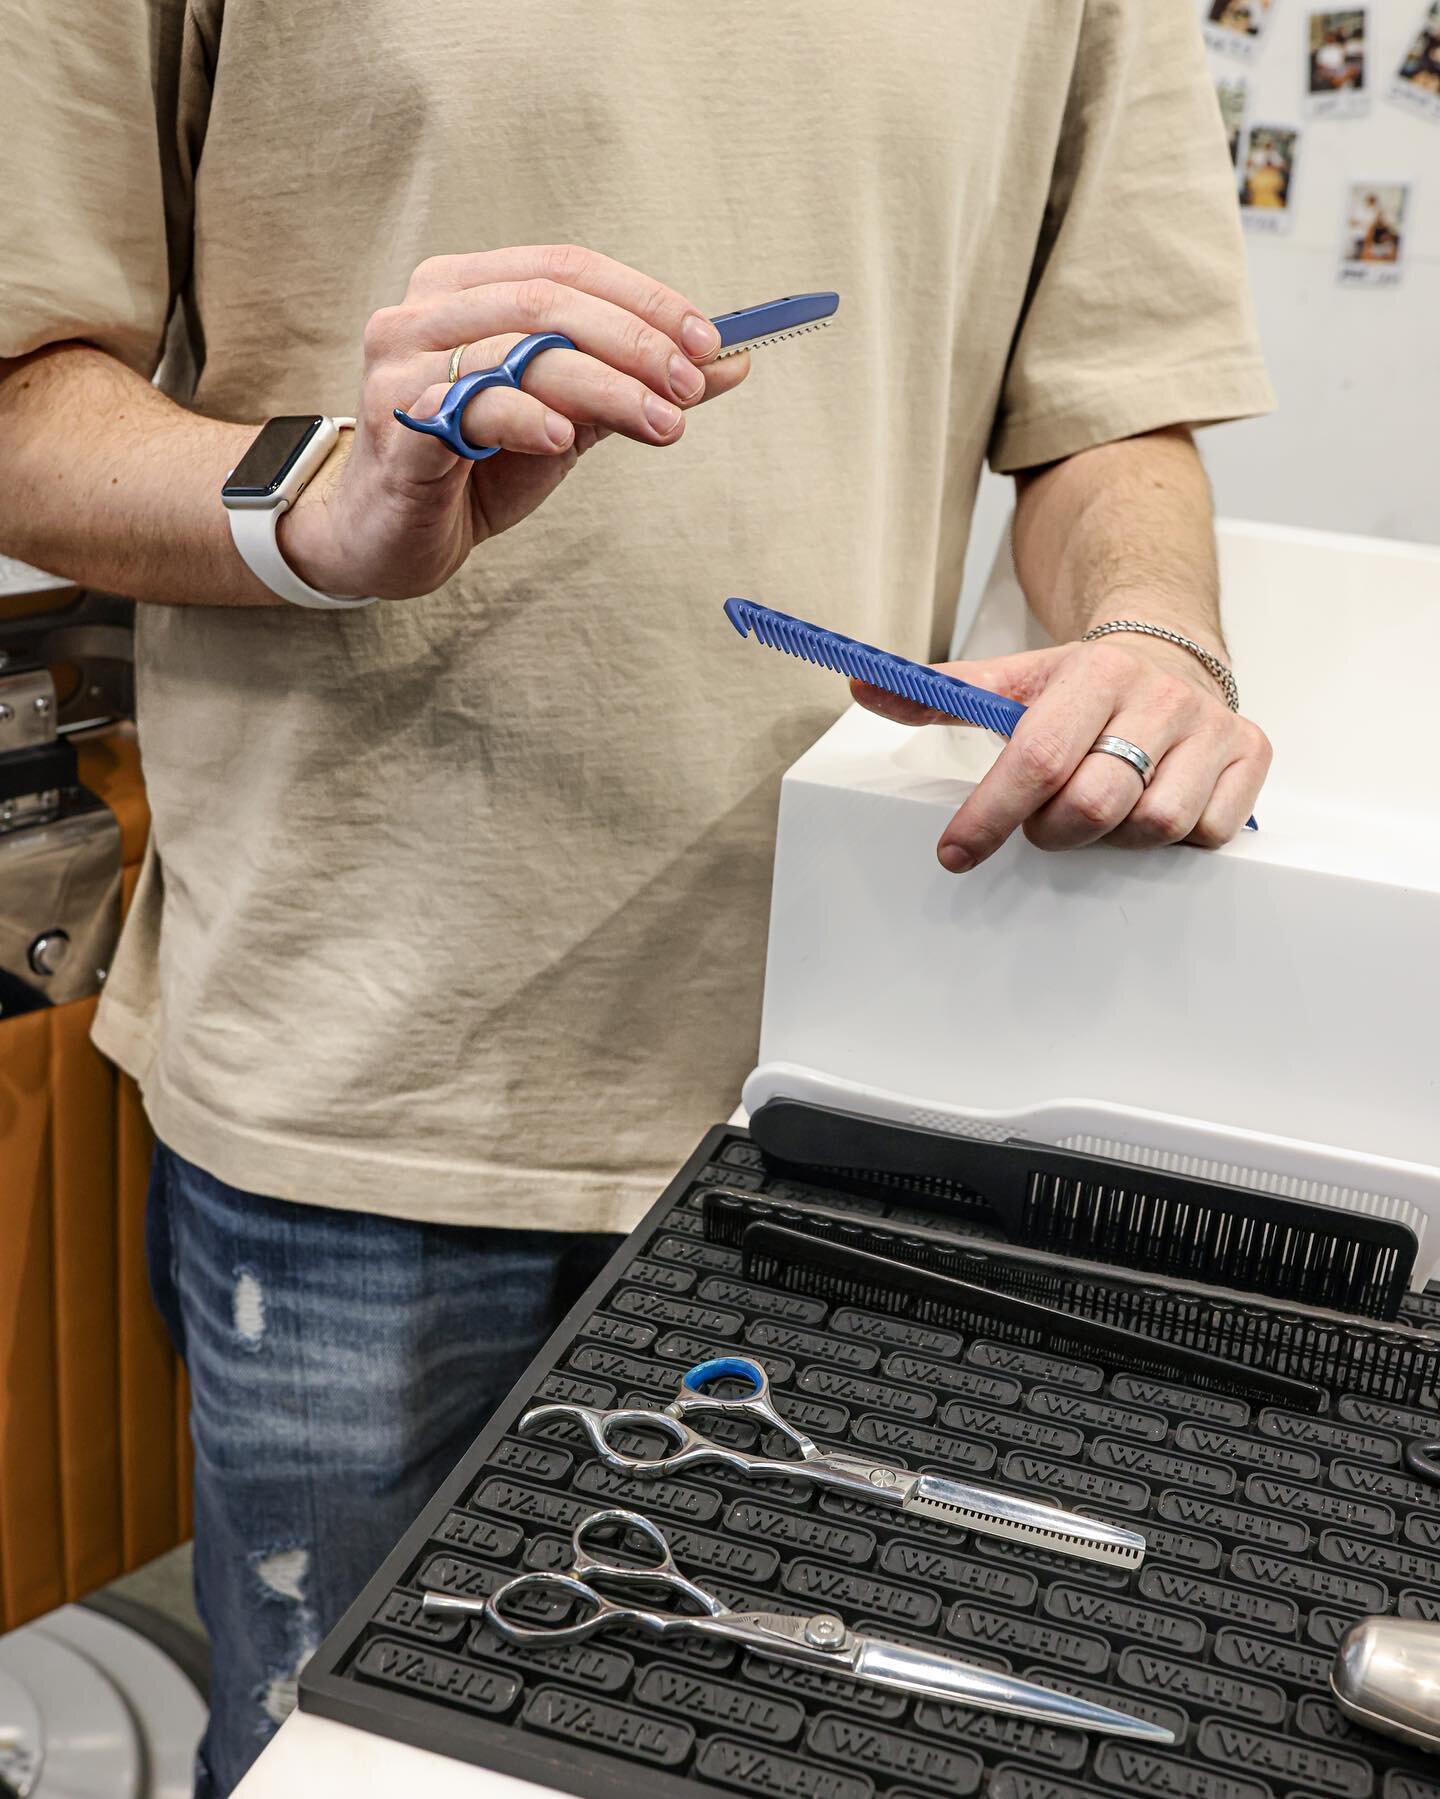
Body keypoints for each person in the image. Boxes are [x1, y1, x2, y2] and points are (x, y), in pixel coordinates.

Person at [0, 3, 1274, 1791]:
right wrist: (320, 506)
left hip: (849, 1079)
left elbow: (1109, 409)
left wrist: (1151, 635)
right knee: (340, 1754)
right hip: (359, 1096)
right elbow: (22, 402)